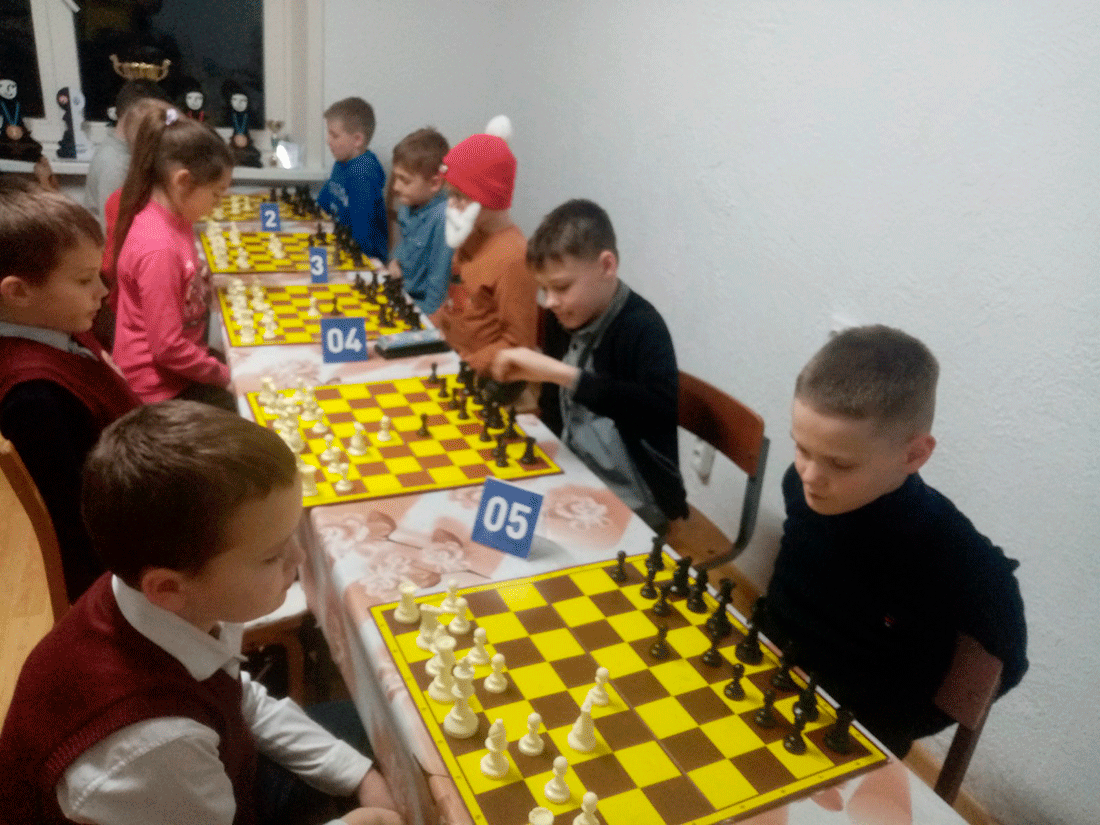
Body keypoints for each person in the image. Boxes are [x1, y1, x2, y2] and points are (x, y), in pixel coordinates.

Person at [0, 401, 403, 825]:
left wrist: (355, 773)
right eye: (272, 556)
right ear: (168, 588)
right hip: (184, 788)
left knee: (381, 742)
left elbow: (234, 696)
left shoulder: (163, 600)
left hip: (215, 775)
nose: (299, 558)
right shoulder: (155, 746)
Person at [758, 325, 1028, 757]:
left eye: (840, 464)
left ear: (914, 455)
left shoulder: (953, 555)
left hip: (848, 736)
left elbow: (1007, 661)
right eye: (802, 449)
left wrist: (896, 726)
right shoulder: (803, 485)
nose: (809, 476)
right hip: (764, 676)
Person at [490, 199, 687, 532]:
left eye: (561, 287)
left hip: (635, 495)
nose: (550, 302)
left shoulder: (644, 327)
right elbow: (552, 406)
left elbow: (656, 410)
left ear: (607, 266)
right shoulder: (565, 314)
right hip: (574, 470)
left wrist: (563, 375)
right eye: (544, 289)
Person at [0, 179, 140, 602]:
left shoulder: (57, 324)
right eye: (84, 280)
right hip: (126, 568)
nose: (103, 291)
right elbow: (77, 530)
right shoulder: (33, 397)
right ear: (18, 292)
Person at [111, 105, 235, 410]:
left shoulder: (175, 219)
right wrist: (224, 377)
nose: (217, 205)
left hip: (178, 371)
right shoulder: (159, 248)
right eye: (216, 194)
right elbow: (167, 348)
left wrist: (196, 280)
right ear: (182, 181)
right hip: (158, 391)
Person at [435, 116, 537, 376]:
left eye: (459, 196)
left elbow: (518, 344)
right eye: (450, 195)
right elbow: (455, 304)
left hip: (487, 378)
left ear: (487, 196)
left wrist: (465, 367)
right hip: (453, 358)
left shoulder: (514, 257)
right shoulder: (469, 235)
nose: (451, 205)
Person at [83, 80, 170, 228]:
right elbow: (115, 232)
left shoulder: (125, 149)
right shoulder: (116, 165)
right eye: (155, 120)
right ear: (136, 117)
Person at [386, 127, 451, 315]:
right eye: (396, 177)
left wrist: (427, 323)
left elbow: (438, 287)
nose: (396, 186)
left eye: (405, 180)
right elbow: (405, 246)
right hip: (402, 294)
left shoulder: (442, 219)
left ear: (435, 183)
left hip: (422, 309)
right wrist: (395, 261)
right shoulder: (409, 204)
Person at [317, 97, 388, 261]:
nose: (328, 140)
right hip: (340, 244)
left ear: (357, 140)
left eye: (334, 135)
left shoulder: (362, 174)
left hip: (362, 258)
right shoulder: (341, 163)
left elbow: (362, 234)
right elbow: (322, 204)